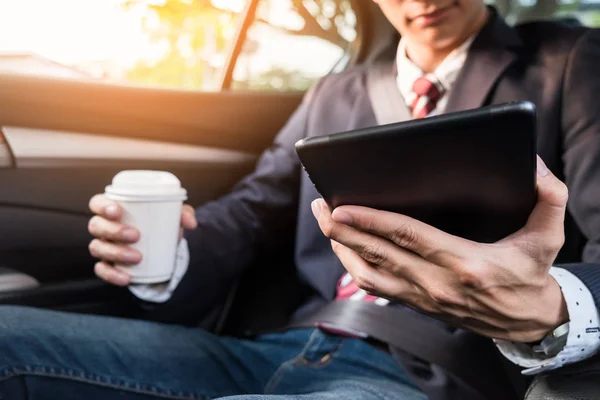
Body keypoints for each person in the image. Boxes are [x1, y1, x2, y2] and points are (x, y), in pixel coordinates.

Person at [1, 1, 600, 400]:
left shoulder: (569, 63)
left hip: (438, 371)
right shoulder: (333, 93)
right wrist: (168, 252)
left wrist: (550, 306)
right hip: (289, 341)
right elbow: (254, 206)